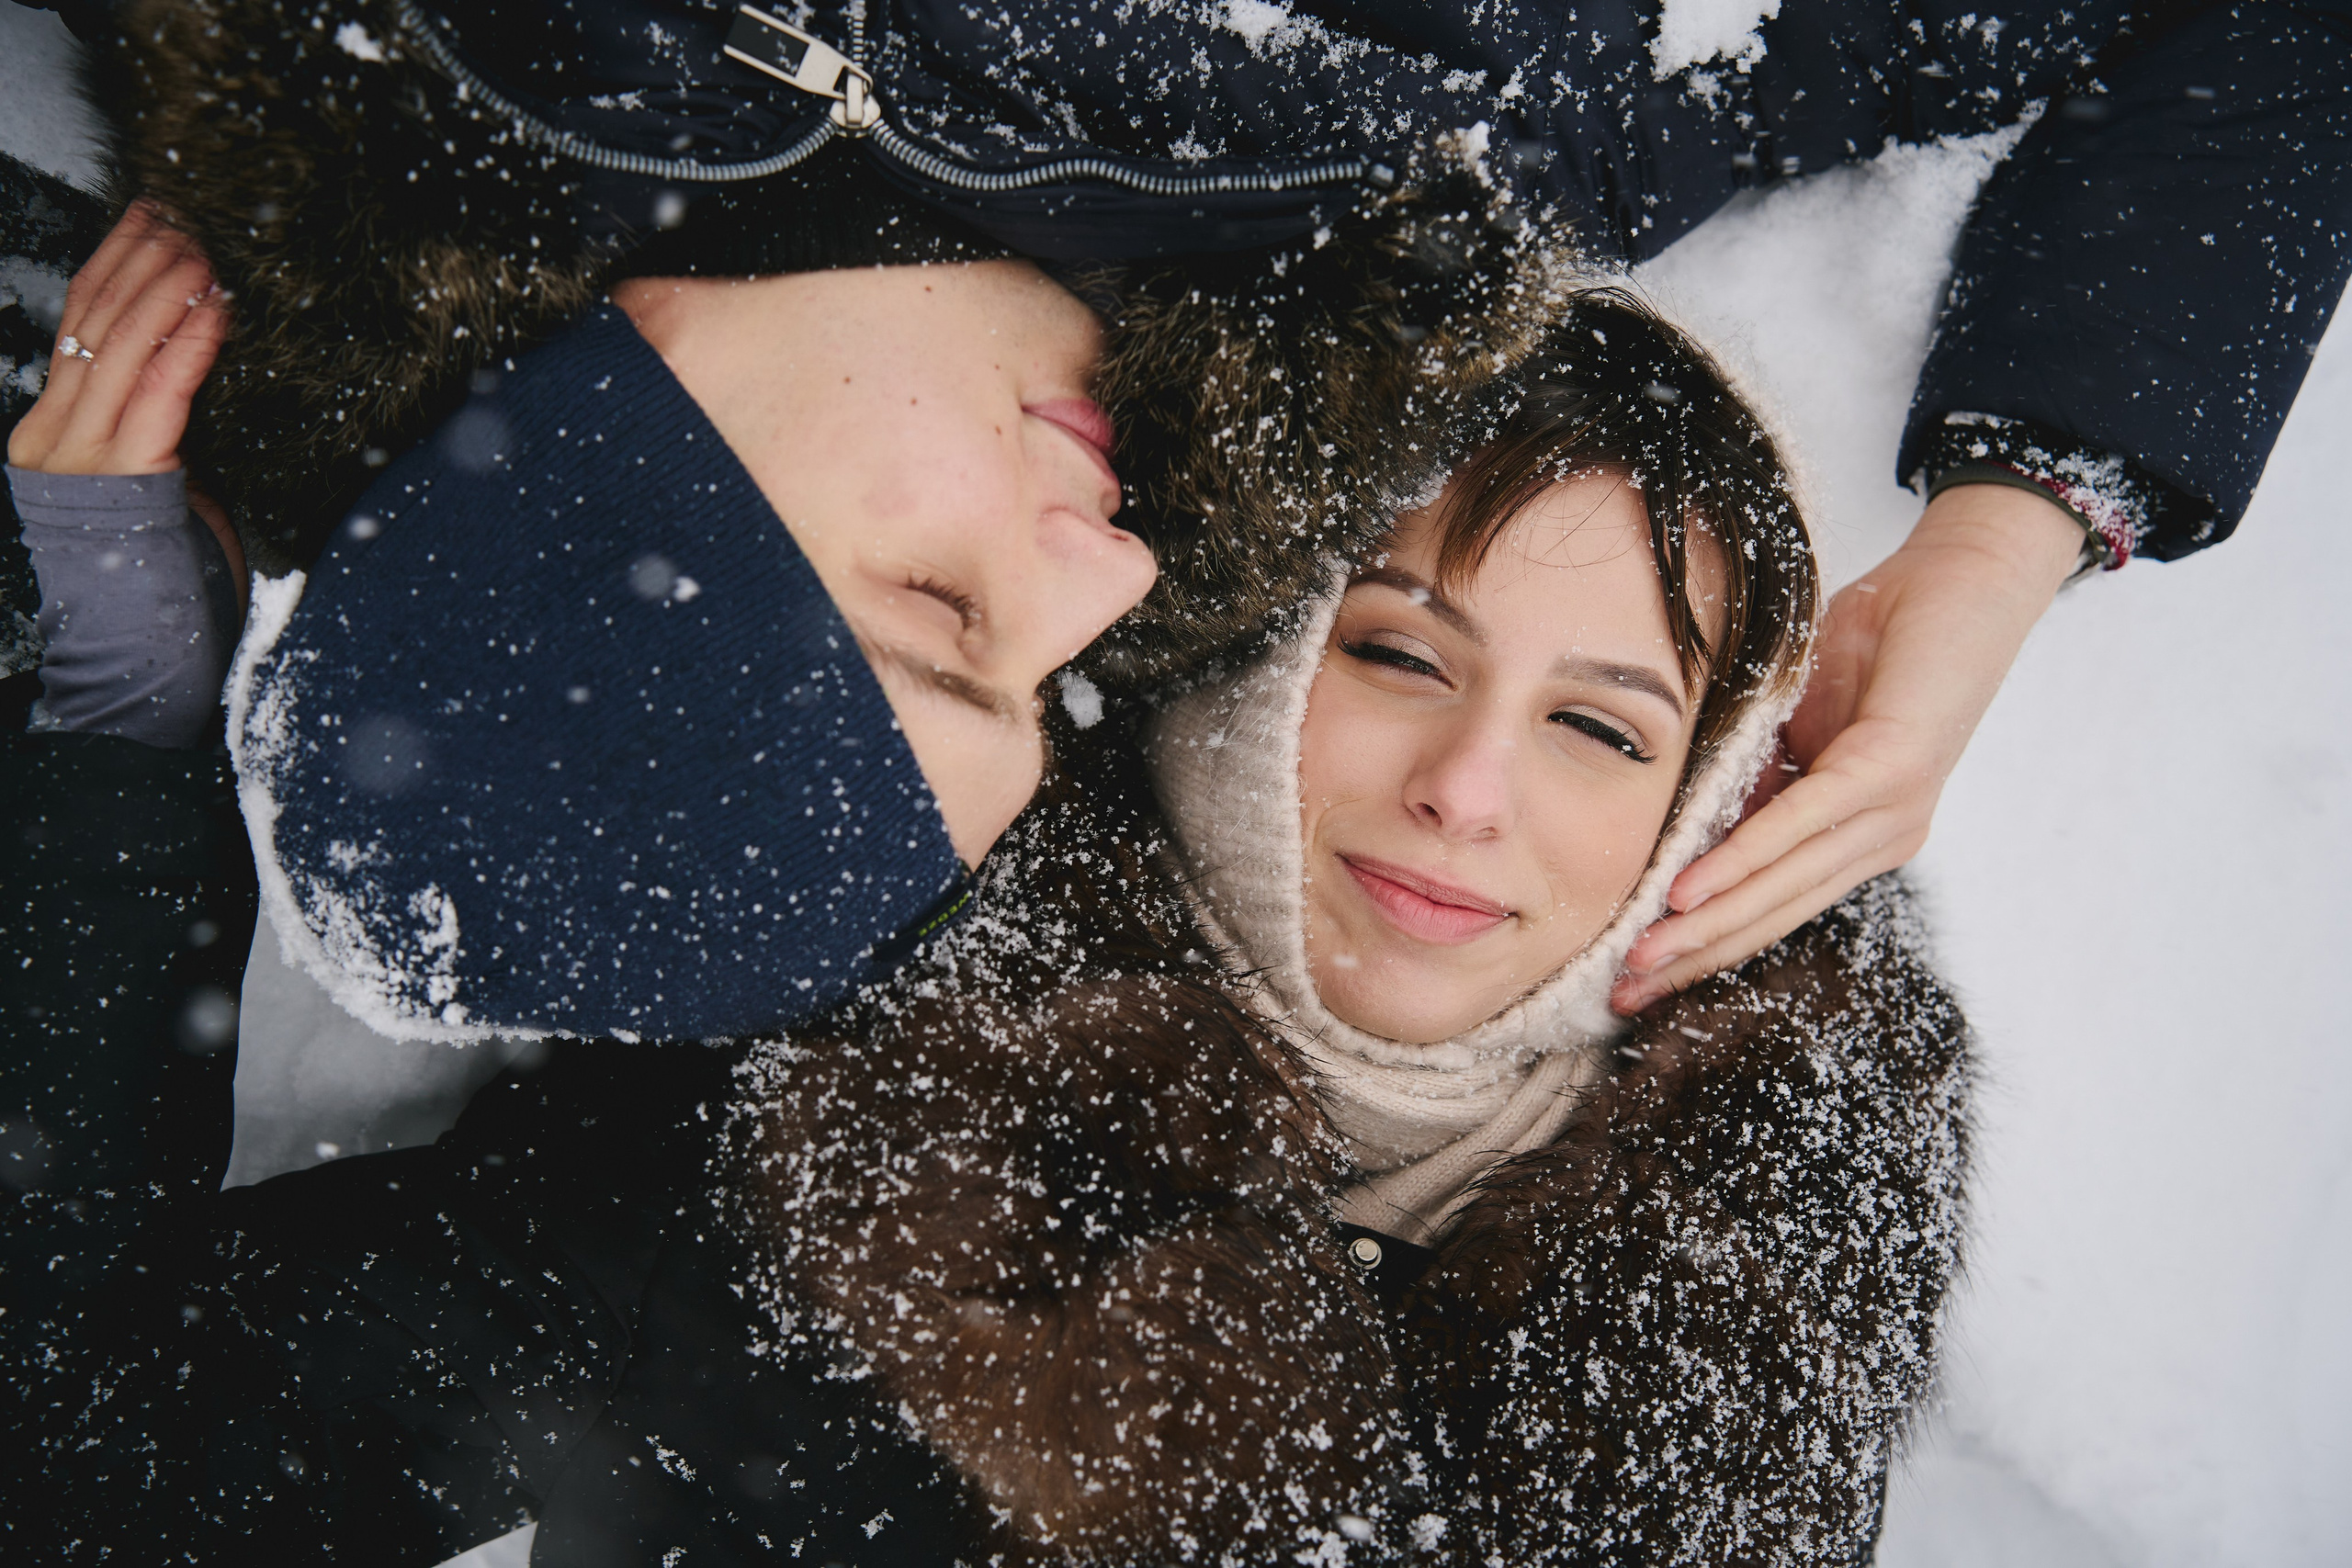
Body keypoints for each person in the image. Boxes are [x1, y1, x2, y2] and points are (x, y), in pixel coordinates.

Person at [32, 284, 1968, 1566]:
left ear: (1706, 800)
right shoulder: (797, 1152)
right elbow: (79, 1441)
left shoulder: (1731, 1329)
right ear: (1244, 658)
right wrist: (110, 735)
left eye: (1595, 723)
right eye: (1394, 652)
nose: (1467, 788)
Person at [21, 0, 2333, 1041]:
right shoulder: (1458, 200)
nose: (1108, 571)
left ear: (617, 446)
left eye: (938, 606)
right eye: (1044, 679)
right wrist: (2034, 504)